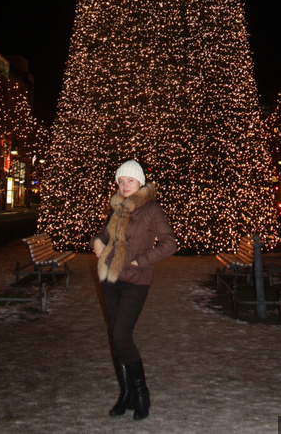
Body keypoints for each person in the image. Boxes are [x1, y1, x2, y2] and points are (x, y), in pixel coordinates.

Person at [92, 160, 176, 421]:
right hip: (110, 280)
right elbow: (106, 234)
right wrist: (97, 241)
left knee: (121, 336)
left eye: (130, 180)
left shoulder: (151, 210)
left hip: (135, 282)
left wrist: (143, 260)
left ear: (141, 183)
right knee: (116, 338)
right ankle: (125, 394)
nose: (124, 185)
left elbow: (170, 243)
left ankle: (142, 395)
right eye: (121, 181)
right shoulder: (118, 208)